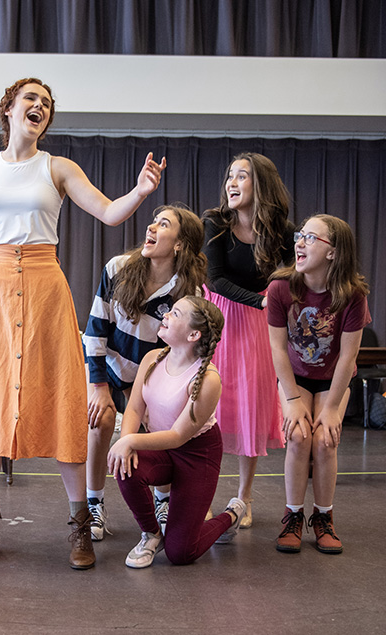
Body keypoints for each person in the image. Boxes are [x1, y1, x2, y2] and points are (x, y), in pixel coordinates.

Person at [0, 77, 166, 569]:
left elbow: (107, 212)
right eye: (30, 99)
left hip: (43, 285)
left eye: (46, 103)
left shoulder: (58, 167)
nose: (38, 106)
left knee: (63, 395)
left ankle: (80, 522)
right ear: (9, 109)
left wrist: (141, 191)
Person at [83, 204, 207, 541]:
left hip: (151, 375)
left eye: (163, 224)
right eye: (153, 222)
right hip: (108, 367)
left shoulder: (189, 293)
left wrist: (159, 395)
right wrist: (99, 387)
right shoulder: (118, 269)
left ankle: (163, 500)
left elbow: (180, 352)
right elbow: (94, 333)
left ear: (180, 244)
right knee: (102, 418)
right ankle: (92, 505)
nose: (151, 228)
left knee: (159, 422)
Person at [108, 296, 247, 567]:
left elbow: (178, 436)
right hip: (161, 448)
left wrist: (131, 440)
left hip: (196, 454)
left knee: (181, 553)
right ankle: (151, 534)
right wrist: (126, 442)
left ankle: (231, 514)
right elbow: (134, 409)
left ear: (194, 334)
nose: (165, 316)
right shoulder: (152, 358)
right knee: (126, 466)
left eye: (175, 313)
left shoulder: (207, 379)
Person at [202, 152, 295, 533]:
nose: (232, 183)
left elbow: (290, 275)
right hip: (222, 317)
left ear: (261, 185)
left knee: (250, 408)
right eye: (230, 176)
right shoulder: (216, 223)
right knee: (209, 409)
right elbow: (215, 279)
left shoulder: (283, 232)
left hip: (259, 326)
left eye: (242, 176)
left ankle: (245, 497)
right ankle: (203, 496)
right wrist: (261, 300)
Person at [267, 215, 370, 554]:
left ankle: (323, 516)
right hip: (294, 378)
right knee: (298, 437)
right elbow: (278, 349)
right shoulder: (281, 288)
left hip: (332, 380)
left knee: (326, 440)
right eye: (300, 235)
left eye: (311, 238)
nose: (299, 242)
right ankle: (293, 515)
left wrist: (331, 408)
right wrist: (293, 399)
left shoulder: (352, 295)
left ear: (333, 252)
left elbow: (347, 357)